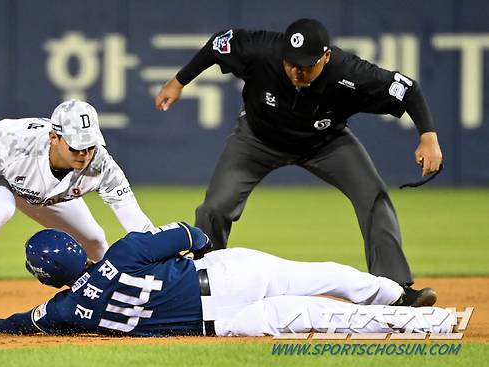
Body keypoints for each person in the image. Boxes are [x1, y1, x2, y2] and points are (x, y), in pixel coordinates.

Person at [154, 19, 443, 300]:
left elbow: (406, 88)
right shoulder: (262, 50)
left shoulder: (349, 72)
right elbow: (218, 44)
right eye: (291, 62)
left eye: (306, 65)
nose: (296, 71)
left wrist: (428, 135)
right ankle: (203, 289)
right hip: (256, 140)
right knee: (214, 208)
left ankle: (395, 291)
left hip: (325, 143)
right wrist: (178, 81)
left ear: (326, 57)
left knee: (373, 196)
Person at [0, 223, 454, 337]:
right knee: (317, 274)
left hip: (224, 322)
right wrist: (206, 249)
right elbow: (195, 234)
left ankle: (427, 328)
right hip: (226, 274)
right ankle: (400, 295)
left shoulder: (63, 311)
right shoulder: (125, 251)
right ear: (77, 249)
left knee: (316, 318)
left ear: (45, 280)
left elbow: (17, 323)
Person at [0, 99, 154, 320]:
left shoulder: (101, 164)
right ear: (54, 137)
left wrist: (160, 254)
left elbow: (135, 220)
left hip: (43, 194)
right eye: (76, 147)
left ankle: (113, 298)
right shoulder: (12, 144)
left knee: (94, 239)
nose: (84, 154)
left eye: (89, 146)